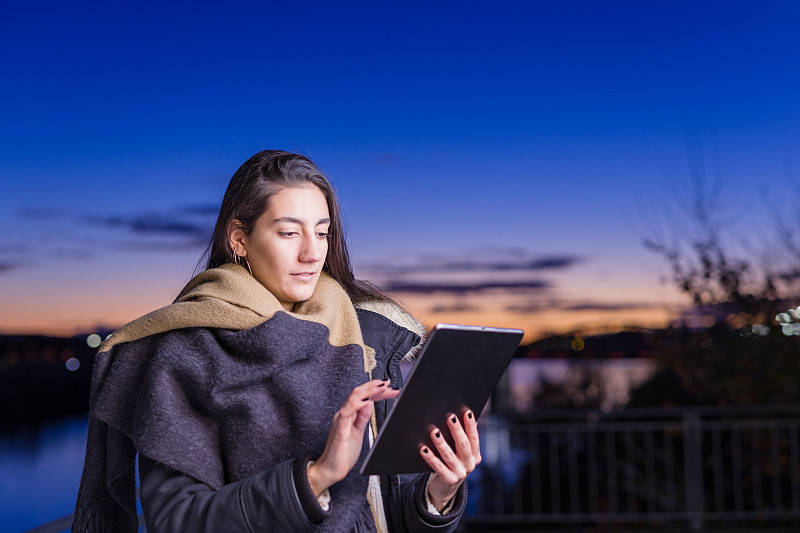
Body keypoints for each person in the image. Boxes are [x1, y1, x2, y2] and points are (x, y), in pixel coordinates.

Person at [72, 150, 481, 532]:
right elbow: (179, 519)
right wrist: (317, 477)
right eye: (289, 233)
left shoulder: (363, 337)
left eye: (322, 233)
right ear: (238, 238)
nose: (311, 253)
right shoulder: (186, 349)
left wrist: (438, 492)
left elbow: (386, 510)